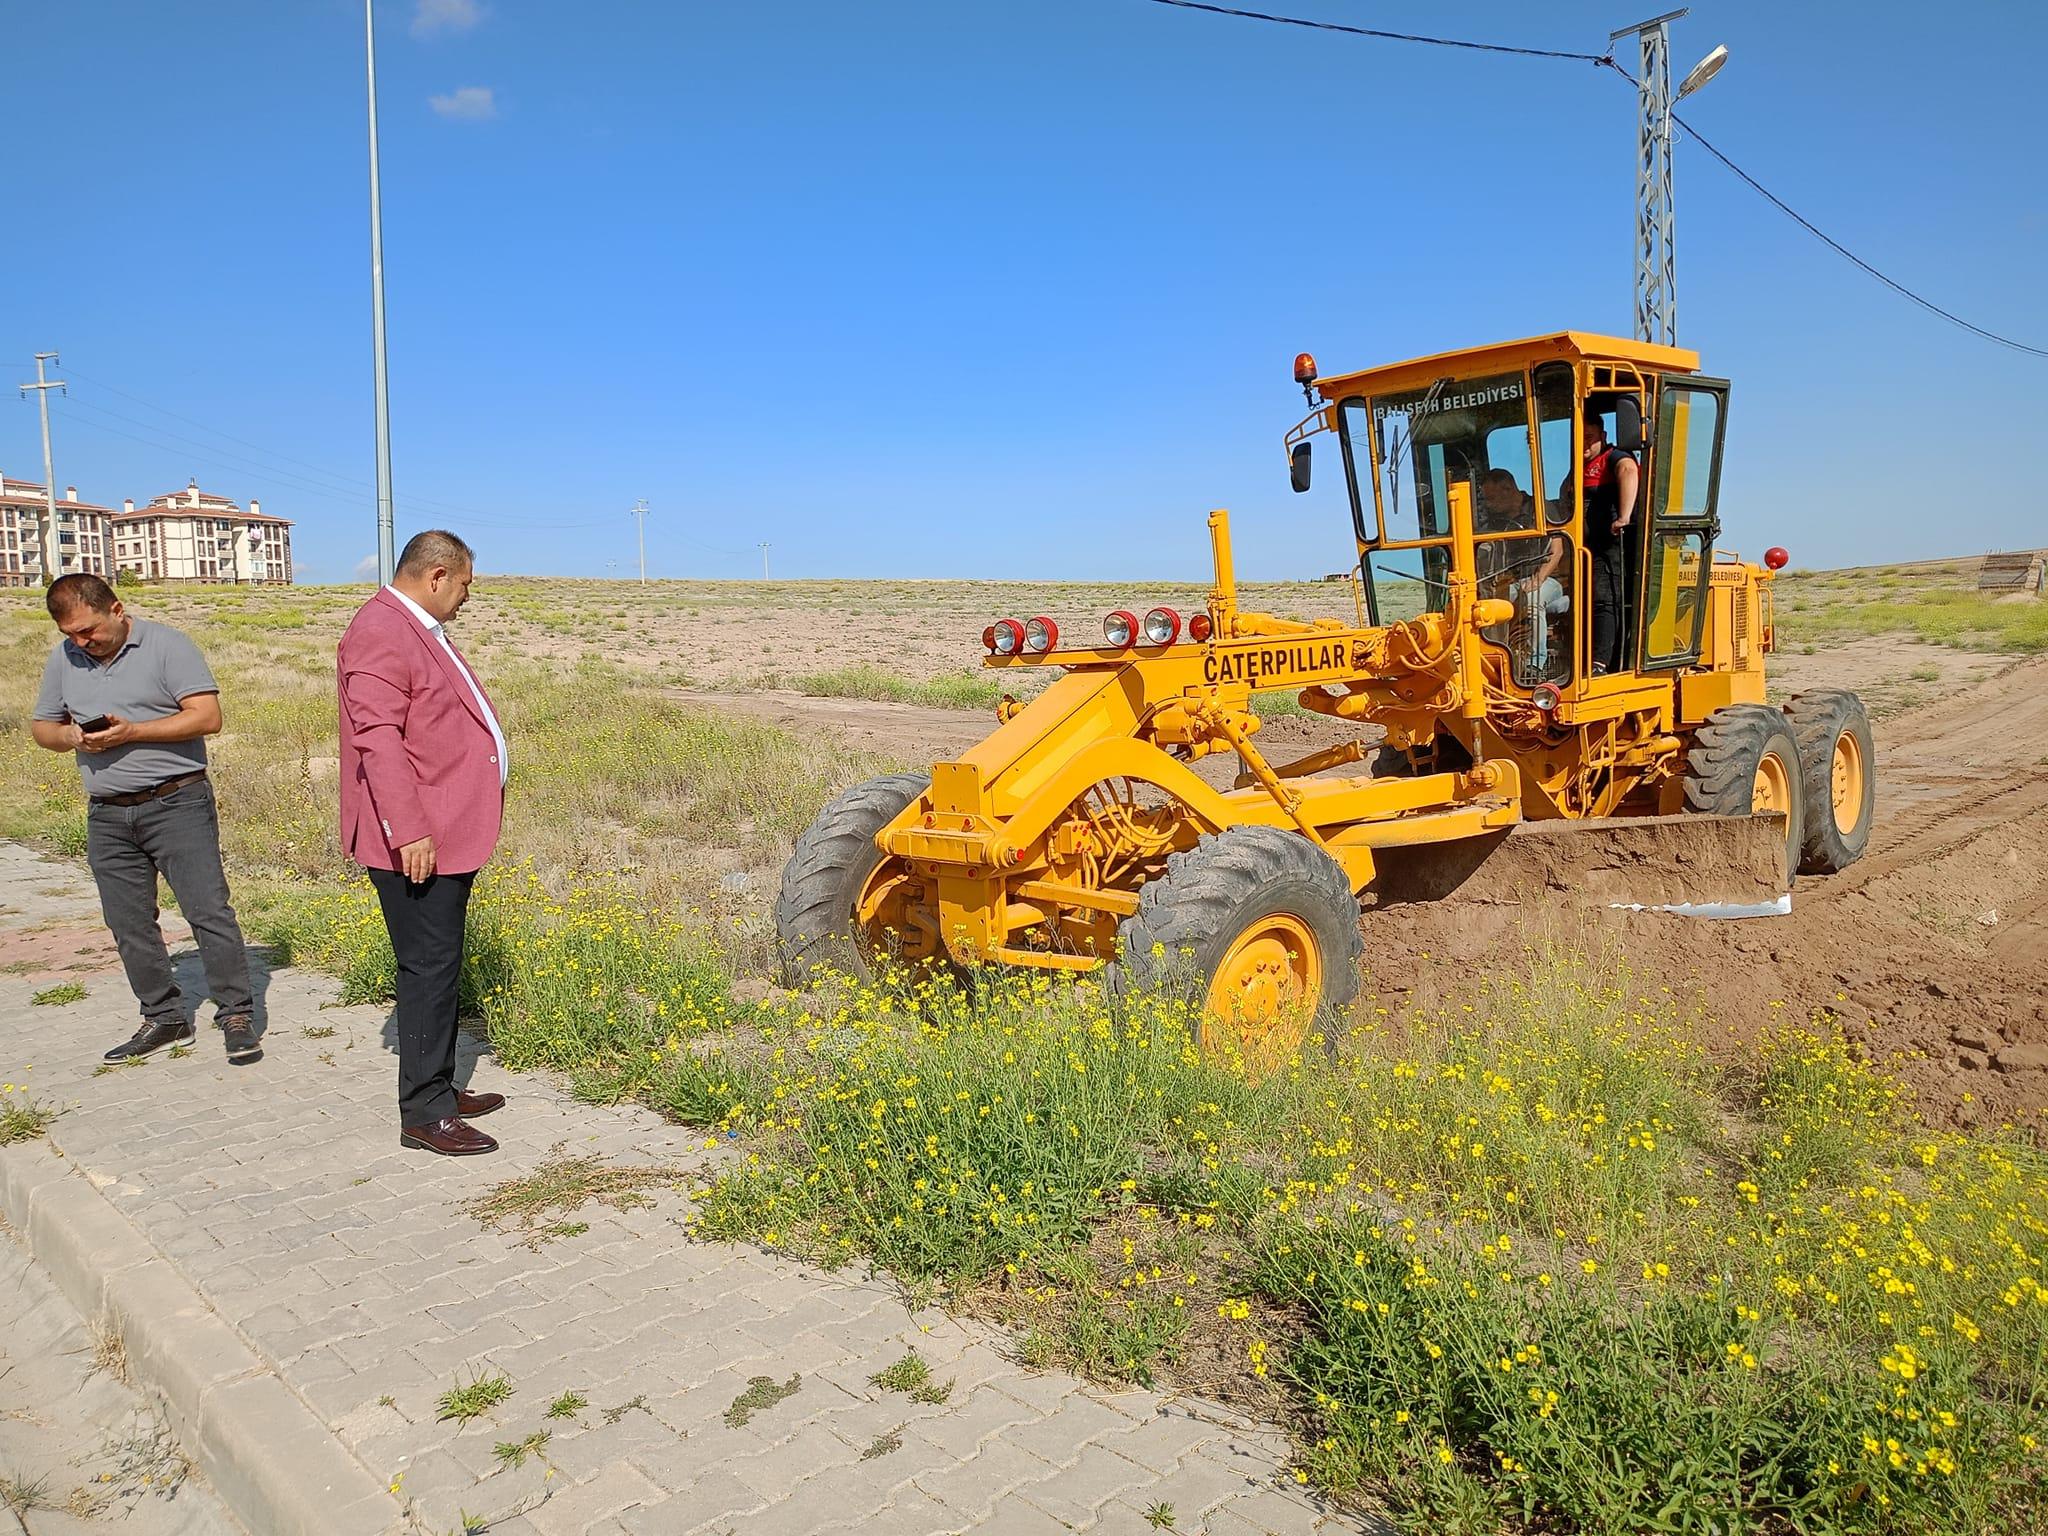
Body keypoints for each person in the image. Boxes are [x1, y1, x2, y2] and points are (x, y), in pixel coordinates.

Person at [29, 574, 259, 1064]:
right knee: (128, 922)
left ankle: (236, 1013)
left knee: (207, 911)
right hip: (107, 814)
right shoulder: (63, 658)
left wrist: (133, 732)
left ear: (116, 609)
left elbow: (206, 717)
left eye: (88, 630)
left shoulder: (167, 645)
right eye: (70, 634)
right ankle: (164, 1017)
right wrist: (74, 738)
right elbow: (43, 728)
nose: (81, 642)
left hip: (177, 803)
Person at [337, 531, 509, 1157]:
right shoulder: (383, 630)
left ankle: (438, 1083)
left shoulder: (413, 627)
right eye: (465, 585)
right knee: (427, 967)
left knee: (440, 964)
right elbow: (376, 739)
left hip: (441, 830)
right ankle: (424, 1112)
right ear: (438, 576)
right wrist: (408, 828)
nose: (466, 598)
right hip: (417, 838)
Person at [1561, 404, 1639, 673]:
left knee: (1606, 599)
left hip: (1611, 546)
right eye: (1579, 436)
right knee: (1583, 601)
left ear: (1602, 435)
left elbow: (1629, 472)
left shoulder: (1614, 457)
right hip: (1584, 548)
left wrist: (1624, 517)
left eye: (1589, 437)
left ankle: (1600, 662)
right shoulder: (1578, 468)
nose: (1584, 443)